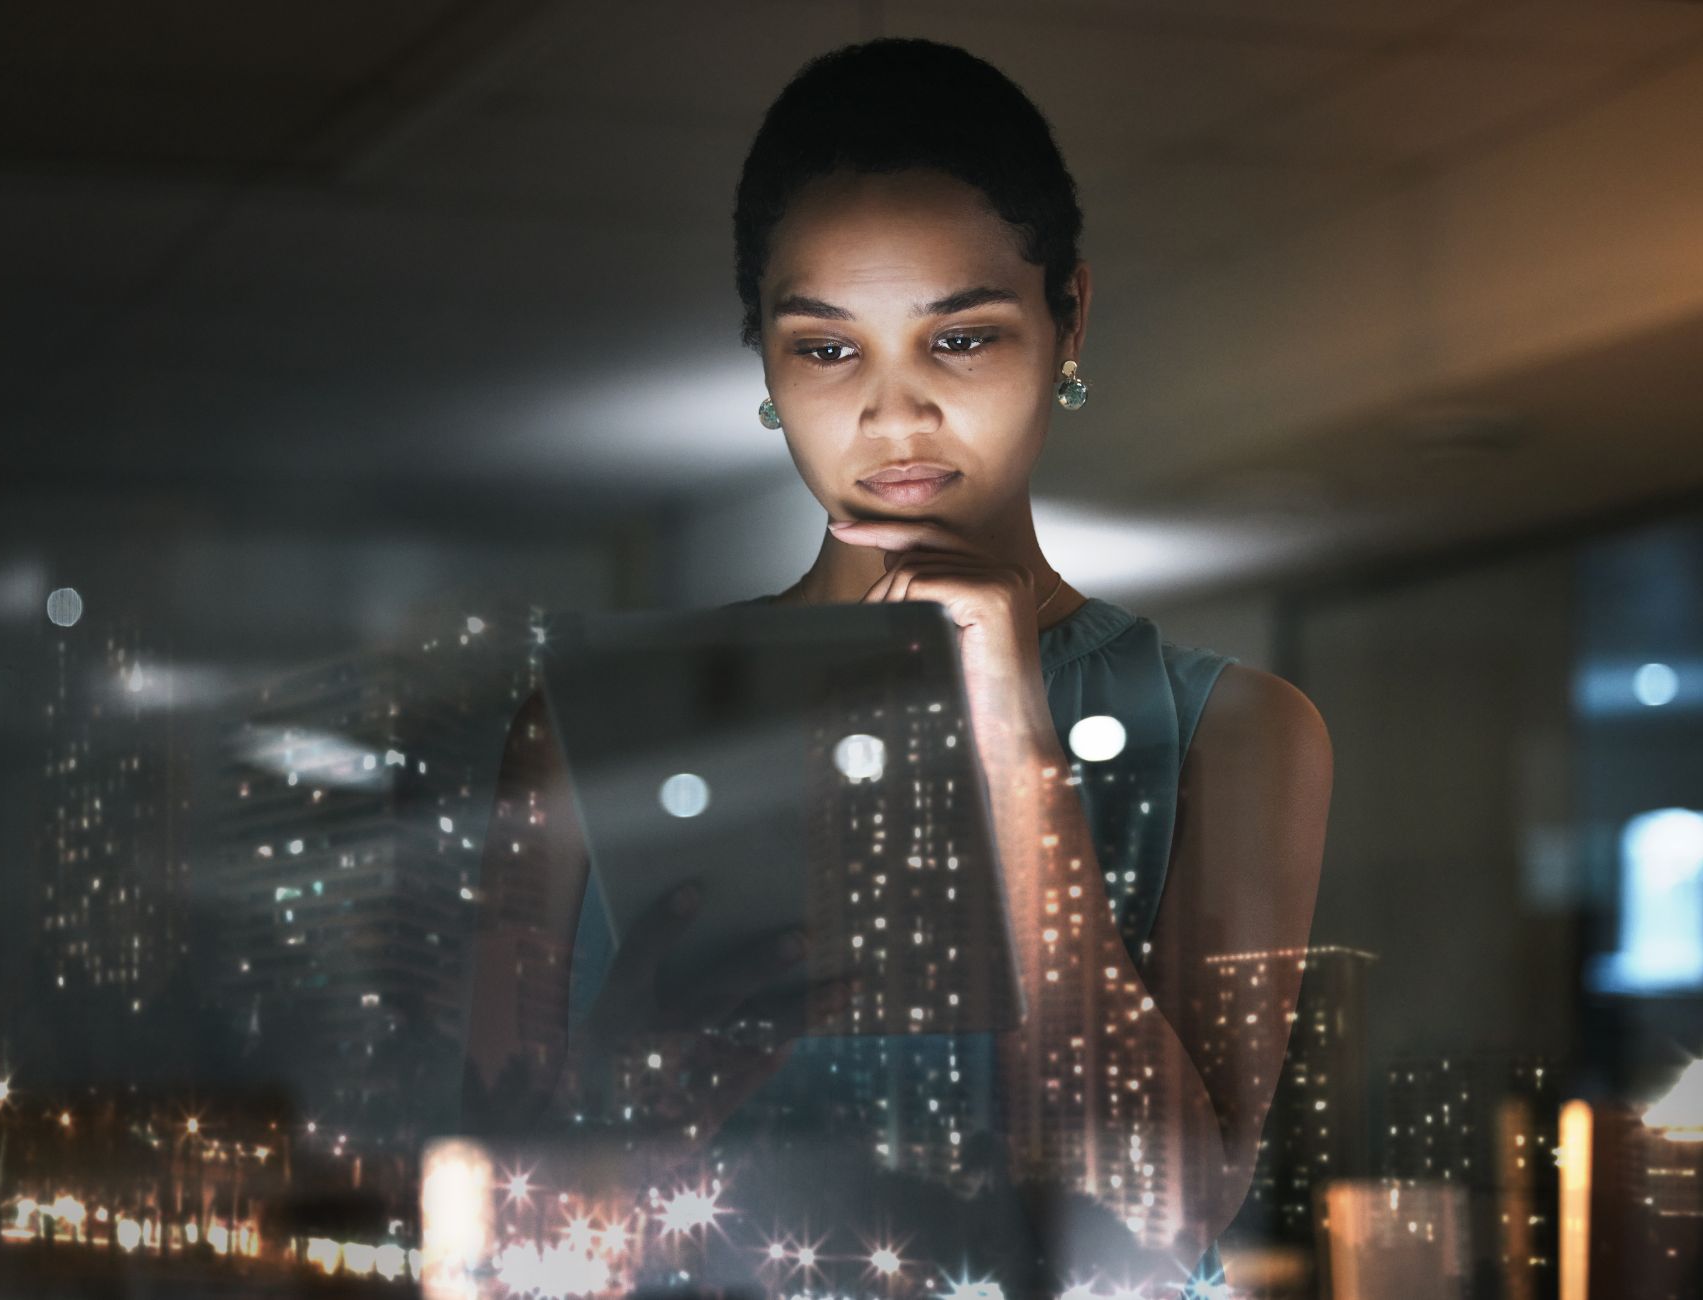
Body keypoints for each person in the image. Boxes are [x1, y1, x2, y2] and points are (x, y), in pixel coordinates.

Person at [463, 37, 1331, 1293]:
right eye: (826, 348)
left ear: (1067, 318)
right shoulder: (589, 722)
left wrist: (1015, 740)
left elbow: (1169, 1210)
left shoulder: (1235, 730)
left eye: (959, 339)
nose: (893, 415)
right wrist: (635, 1094)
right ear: (762, 355)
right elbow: (484, 1240)